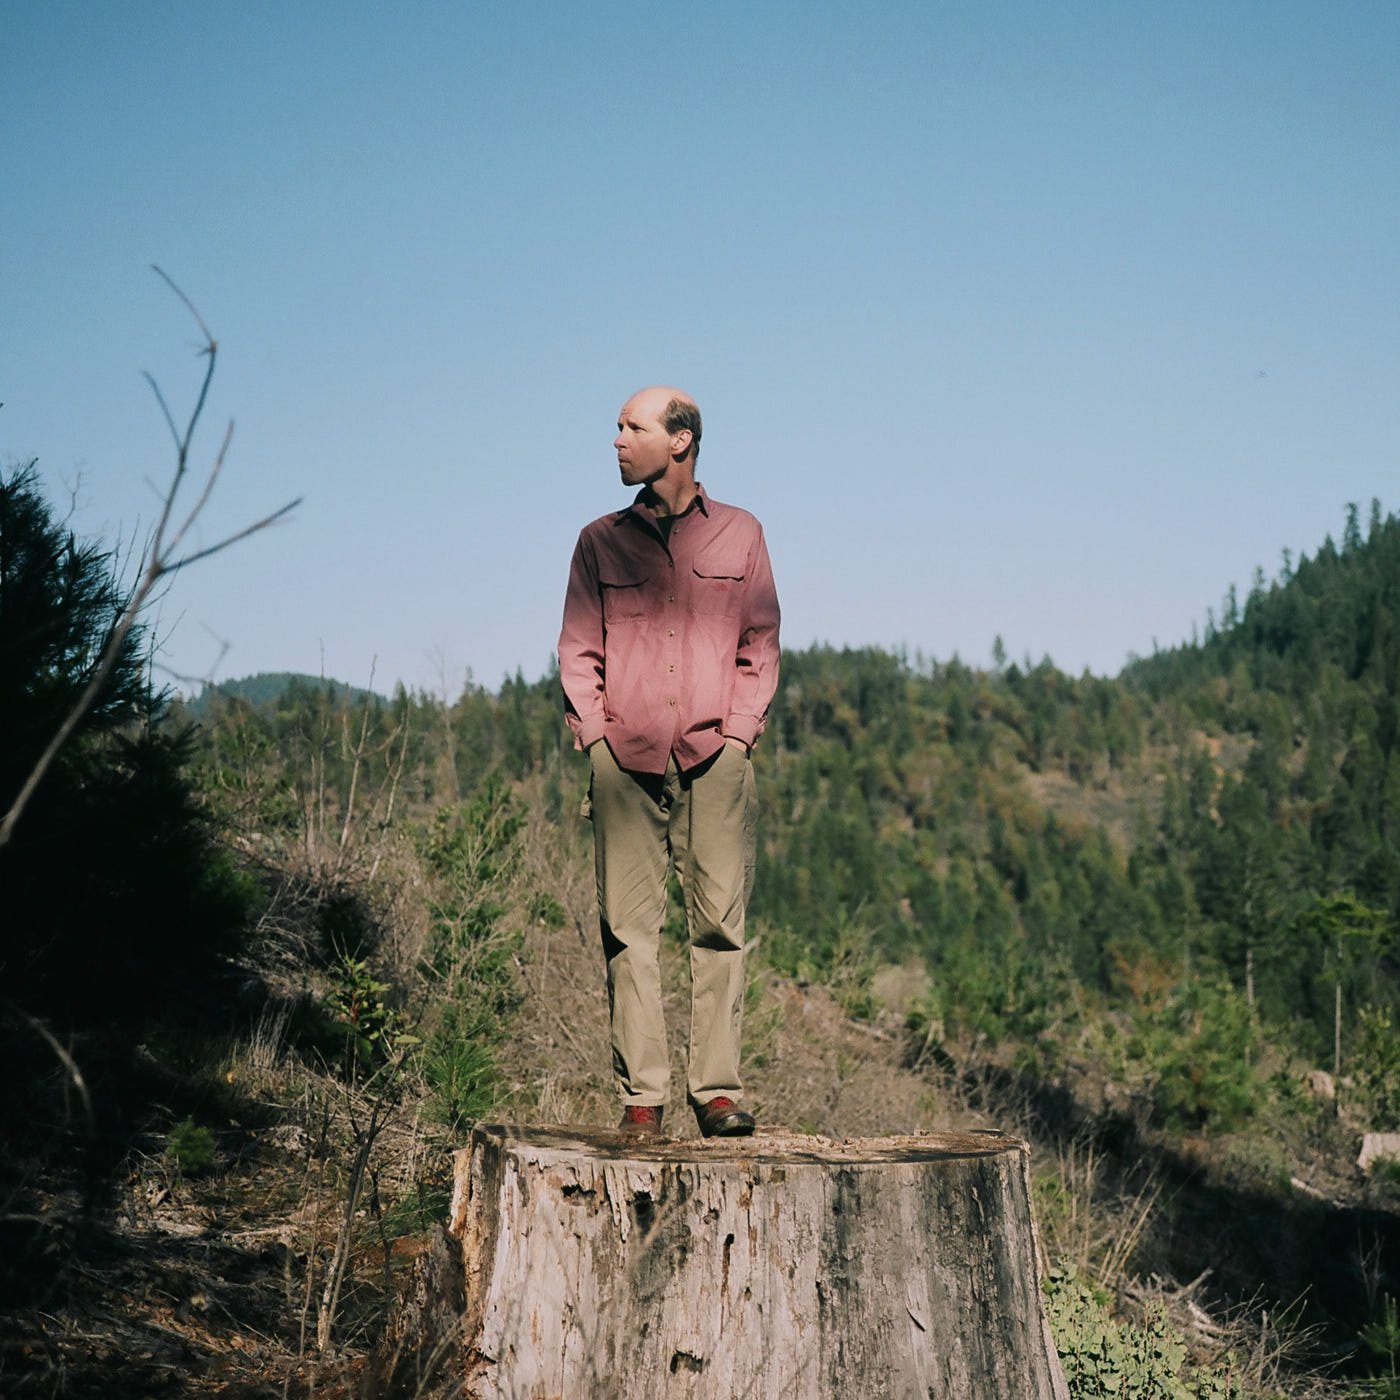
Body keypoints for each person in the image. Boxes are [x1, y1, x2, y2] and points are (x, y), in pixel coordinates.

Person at [558, 386, 780, 1138]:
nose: (617, 440)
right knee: (629, 929)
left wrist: (742, 734)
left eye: (632, 427)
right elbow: (578, 650)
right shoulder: (598, 542)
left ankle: (716, 1093)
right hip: (625, 762)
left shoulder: (742, 535)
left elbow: (761, 643)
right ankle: (642, 1101)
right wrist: (596, 739)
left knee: (720, 926)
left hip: (717, 757)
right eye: (618, 426)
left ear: (680, 441)